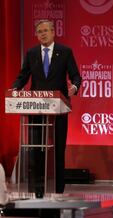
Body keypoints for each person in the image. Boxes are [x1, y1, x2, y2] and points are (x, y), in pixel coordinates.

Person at [12, 19, 82, 196]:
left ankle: (58, 190)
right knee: (37, 150)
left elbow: (76, 75)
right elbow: (23, 76)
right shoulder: (31, 53)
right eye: (39, 32)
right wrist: (15, 89)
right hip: (37, 111)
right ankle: (38, 191)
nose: (42, 34)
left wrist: (74, 87)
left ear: (53, 32)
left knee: (58, 150)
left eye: (45, 31)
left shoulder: (65, 52)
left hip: (58, 109)